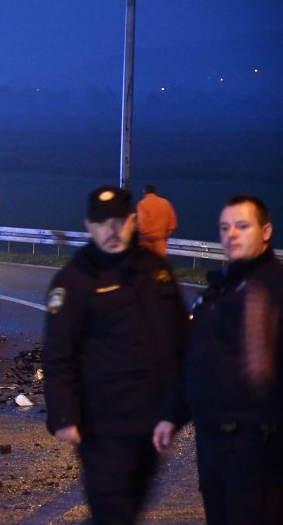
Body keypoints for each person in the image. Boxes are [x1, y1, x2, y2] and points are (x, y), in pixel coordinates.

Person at [43, 185, 187, 524]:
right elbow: (57, 356)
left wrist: (178, 410)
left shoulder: (156, 271)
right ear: (89, 226)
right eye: (103, 222)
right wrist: (64, 416)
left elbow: (181, 340)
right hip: (102, 428)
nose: (112, 229)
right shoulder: (75, 281)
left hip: (152, 424)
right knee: (113, 513)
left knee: (128, 510)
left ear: (132, 221)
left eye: (119, 220)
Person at [153, 195, 283, 525]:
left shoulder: (275, 290)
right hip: (213, 446)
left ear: (266, 231)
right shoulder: (218, 290)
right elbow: (198, 363)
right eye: (225, 228)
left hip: (260, 452)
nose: (232, 235)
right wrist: (172, 415)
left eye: (242, 226)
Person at [136, 184, 177, 257]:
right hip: (161, 242)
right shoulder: (165, 202)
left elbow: (142, 223)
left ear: (144, 192)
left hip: (147, 242)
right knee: (159, 264)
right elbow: (172, 222)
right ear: (155, 192)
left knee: (146, 264)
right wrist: (165, 235)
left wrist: (141, 235)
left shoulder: (142, 204)